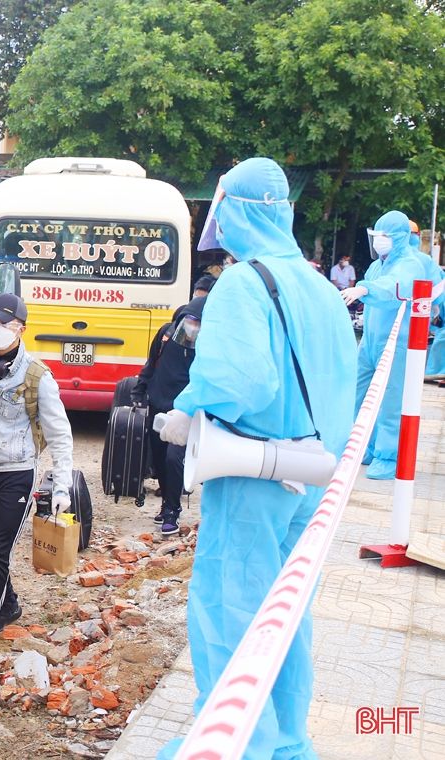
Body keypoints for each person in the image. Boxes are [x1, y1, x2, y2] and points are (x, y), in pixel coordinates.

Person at [156, 158, 355, 759]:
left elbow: (240, 382)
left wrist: (185, 411)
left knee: (233, 613)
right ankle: (287, 741)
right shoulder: (321, 287)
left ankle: (238, 743)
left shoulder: (245, 283)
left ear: (235, 210)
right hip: (313, 475)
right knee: (286, 614)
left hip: (253, 474)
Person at [0, 292, 74, 667]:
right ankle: (9, 602)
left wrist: (62, 485)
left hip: (15, 475)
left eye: (4, 324)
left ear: (21, 328)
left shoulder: (37, 375)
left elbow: (60, 434)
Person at [341, 210, 431, 479]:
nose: (380, 240)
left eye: (385, 236)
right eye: (377, 235)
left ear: (401, 238)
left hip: (397, 345)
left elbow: (396, 285)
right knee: (359, 396)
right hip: (369, 343)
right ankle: (363, 446)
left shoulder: (411, 263)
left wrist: (366, 289)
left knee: (392, 402)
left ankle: (388, 455)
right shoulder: (377, 264)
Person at [130, 296, 206, 536]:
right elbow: (152, 363)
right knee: (160, 458)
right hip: (158, 404)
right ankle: (166, 503)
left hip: (185, 411)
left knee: (174, 458)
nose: (192, 327)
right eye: (189, 321)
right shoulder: (166, 334)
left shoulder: (208, 347)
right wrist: (140, 389)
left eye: (198, 323)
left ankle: (173, 510)